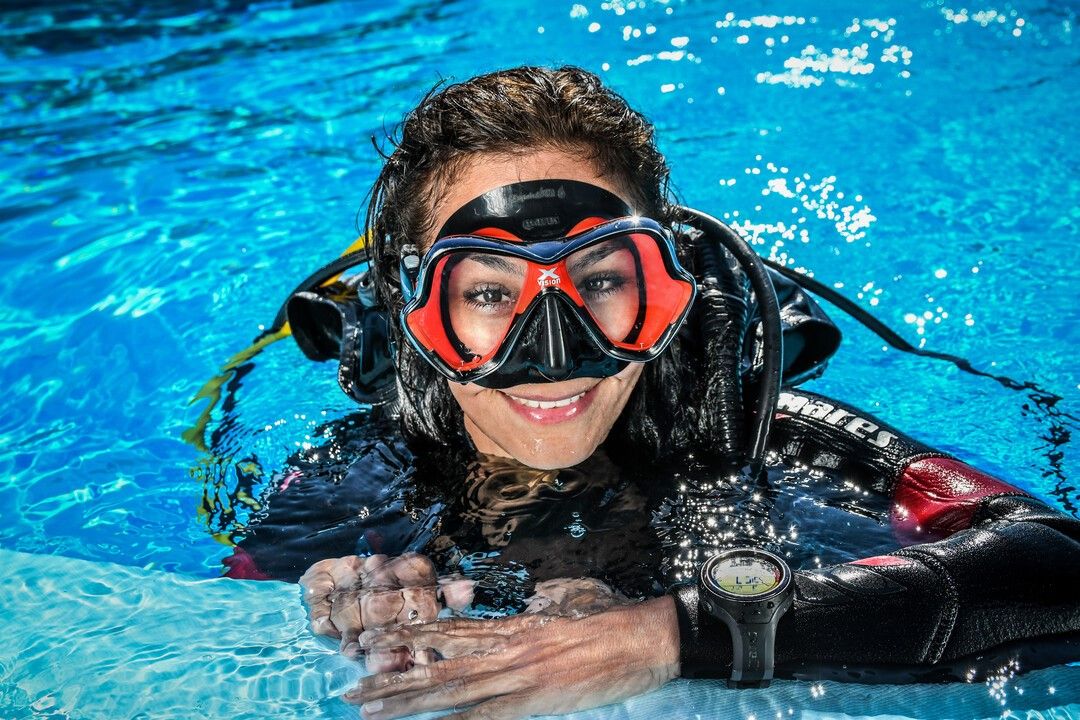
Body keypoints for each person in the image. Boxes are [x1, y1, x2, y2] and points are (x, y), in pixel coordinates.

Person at [218, 66, 1080, 720]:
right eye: (485, 293)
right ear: (412, 317)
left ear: (675, 289)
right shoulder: (346, 489)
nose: (553, 355)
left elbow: (1057, 562)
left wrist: (665, 636)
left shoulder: (768, 440)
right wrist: (325, 601)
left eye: (601, 283)